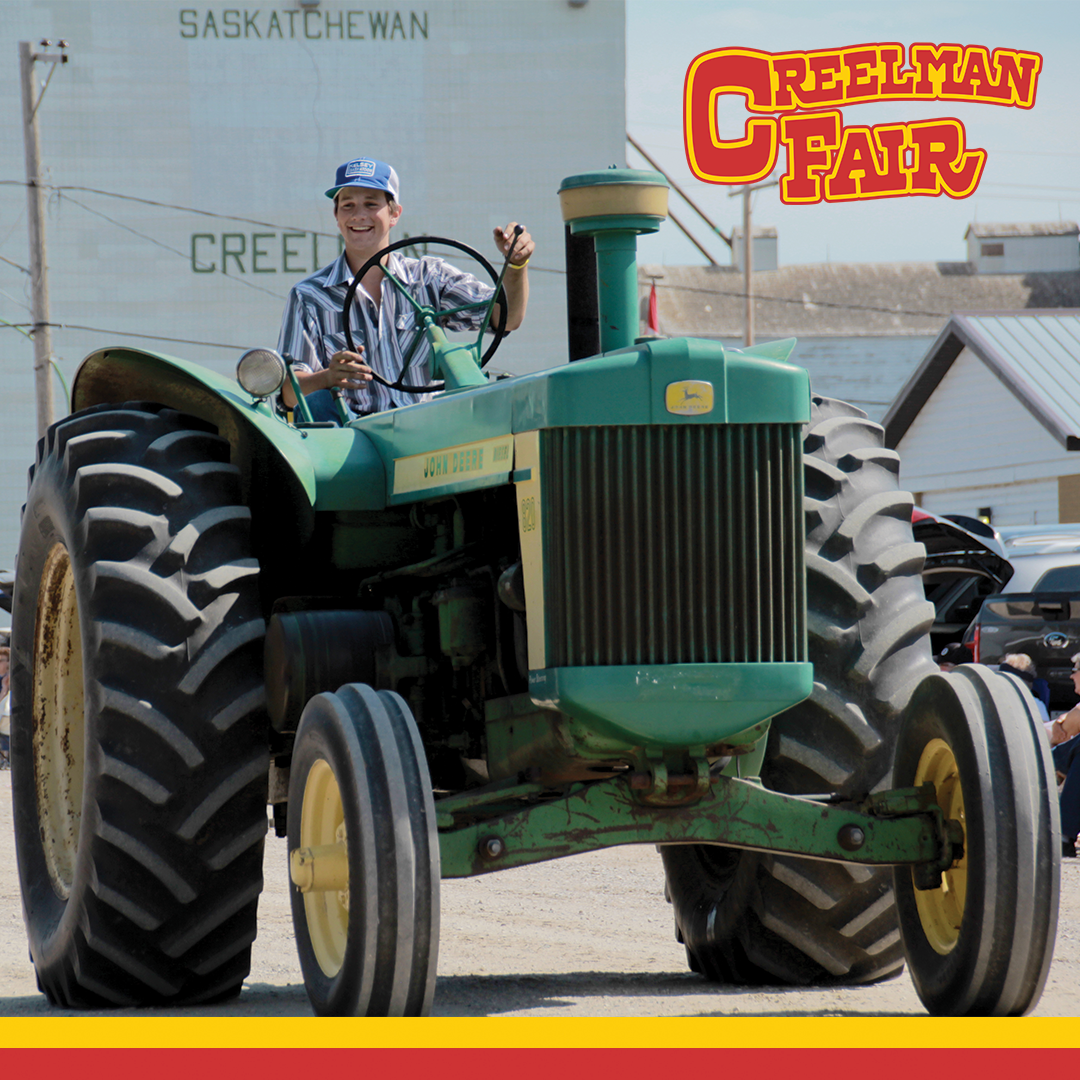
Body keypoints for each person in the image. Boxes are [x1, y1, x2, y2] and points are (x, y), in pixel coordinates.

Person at [277, 157, 535, 421]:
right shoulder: (309, 296)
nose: (358, 215)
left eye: (371, 204)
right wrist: (329, 377)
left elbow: (506, 319)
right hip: (353, 439)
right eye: (348, 205)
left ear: (394, 214)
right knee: (318, 404)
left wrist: (516, 266)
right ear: (336, 216)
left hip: (426, 429)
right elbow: (288, 392)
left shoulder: (429, 277)